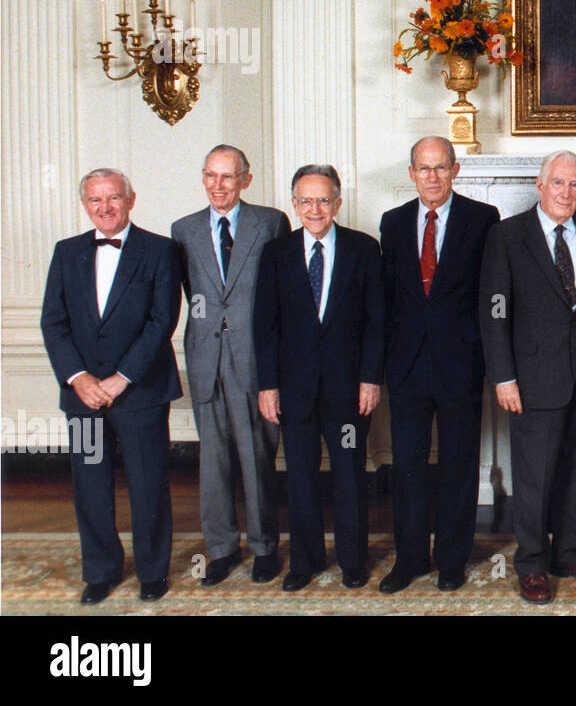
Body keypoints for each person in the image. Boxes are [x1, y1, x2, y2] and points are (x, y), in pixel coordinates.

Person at [478, 151, 576, 604]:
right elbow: (493, 311)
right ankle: (533, 564)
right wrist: (503, 376)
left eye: (575, 184)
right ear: (540, 185)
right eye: (558, 183)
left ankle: (571, 553)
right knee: (535, 477)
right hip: (532, 378)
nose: (566, 192)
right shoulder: (506, 235)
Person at [41, 169, 182, 604]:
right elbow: (54, 322)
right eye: (95, 200)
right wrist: (80, 379)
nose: (105, 207)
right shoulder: (66, 252)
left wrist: (122, 378)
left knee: (148, 482)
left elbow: (163, 320)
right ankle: (100, 571)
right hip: (83, 396)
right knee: (90, 483)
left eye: (113, 198)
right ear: (85, 204)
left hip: (140, 390)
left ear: (131, 199)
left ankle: (152, 572)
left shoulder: (161, 250)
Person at [378, 136, 500, 594]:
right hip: (407, 364)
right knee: (407, 464)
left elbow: (491, 295)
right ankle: (409, 559)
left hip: (460, 361)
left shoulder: (482, 219)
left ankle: (452, 560)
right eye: (423, 168)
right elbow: (387, 298)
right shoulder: (391, 223)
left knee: (458, 464)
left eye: (440, 168)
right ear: (411, 173)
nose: (432, 177)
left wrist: (487, 357)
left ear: (455, 170)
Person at [254, 164, 383, 591]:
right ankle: (303, 563)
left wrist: (370, 379)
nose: (315, 209)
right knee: (301, 476)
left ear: (338, 203)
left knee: (348, 474)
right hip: (295, 392)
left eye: (324, 200)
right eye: (306, 201)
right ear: (294, 205)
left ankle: (352, 561)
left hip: (348, 393)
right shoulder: (276, 254)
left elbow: (376, 323)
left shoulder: (364, 249)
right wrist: (268, 386)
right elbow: (265, 325)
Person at [171, 144, 290, 587]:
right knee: (213, 461)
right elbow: (192, 292)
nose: (217, 186)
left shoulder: (271, 222)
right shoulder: (182, 230)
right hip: (206, 357)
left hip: (255, 357)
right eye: (210, 176)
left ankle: (264, 547)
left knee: (258, 456)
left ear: (246, 179)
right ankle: (220, 549)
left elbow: (282, 287)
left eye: (227, 177)